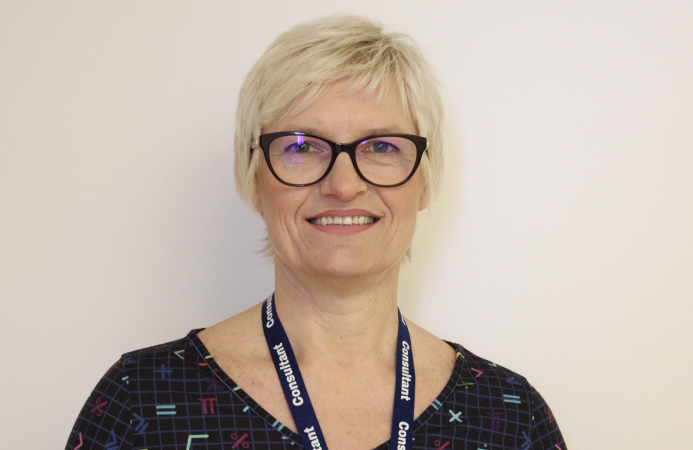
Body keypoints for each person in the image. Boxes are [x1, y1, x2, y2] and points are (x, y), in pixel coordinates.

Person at [65, 15, 567, 450]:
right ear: (253, 178)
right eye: (302, 147)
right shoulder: (141, 401)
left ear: (425, 181)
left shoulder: (509, 417)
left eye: (382, 147)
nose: (344, 185)